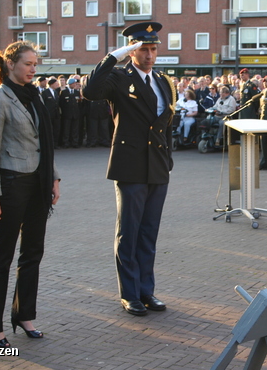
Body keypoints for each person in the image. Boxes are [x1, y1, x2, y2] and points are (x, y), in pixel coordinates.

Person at [82, 22, 175, 317]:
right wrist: (114, 57)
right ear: (133, 51)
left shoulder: (163, 82)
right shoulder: (120, 78)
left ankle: (147, 291)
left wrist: (168, 159)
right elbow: (90, 91)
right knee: (130, 232)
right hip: (130, 165)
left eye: (153, 49)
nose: (149, 55)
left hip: (157, 166)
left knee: (149, 234)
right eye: (143, 49)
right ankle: (130, 294)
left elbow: (164, 126)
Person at [0, 41, 60, 348]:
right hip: (11, 185)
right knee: (2, 256)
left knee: (32, 254)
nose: (33, 69)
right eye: (28, 64)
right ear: (10, 64)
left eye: (36, 64)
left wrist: (53, 178)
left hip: (38, 184)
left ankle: (24, 315)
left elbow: (44, 142)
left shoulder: (34, 96)